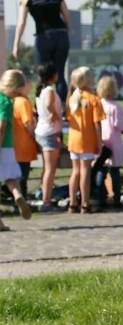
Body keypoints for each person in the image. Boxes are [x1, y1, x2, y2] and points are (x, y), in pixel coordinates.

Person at [12, 0, 71, 102]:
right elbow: (67, 16)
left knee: (43, 75)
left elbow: (21, 23)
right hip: (61, 35)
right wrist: (66, 30)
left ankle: (43, 107)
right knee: (60, 75)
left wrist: (16, 45)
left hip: (44, 37)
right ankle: (61, 108)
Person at [65, 67, 104, 214]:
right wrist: (99, 142)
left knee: (75, 171)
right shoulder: (93, 99)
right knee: (85, 172)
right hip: (87, 140)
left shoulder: (72, 99)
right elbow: (97, 124)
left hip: (73, 139)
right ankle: (85, 203)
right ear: (87, 80)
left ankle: (72, 203)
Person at [0, 69, 33, 224]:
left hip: (3, 146)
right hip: (7, 146)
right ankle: (17, 195)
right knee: (11, 178)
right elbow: (2, 127)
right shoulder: (6, 103)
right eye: (17, 93)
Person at [33, 63, 63, 213]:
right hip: (50, 132)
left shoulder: (40, 90)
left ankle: (44, 195)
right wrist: (59, 118)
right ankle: (46, 201)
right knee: (50, 169)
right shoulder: (50, 90)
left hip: (42, 131)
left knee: (46, 168)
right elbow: (51, 107)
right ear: (53, 75)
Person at [93, 75, 123, 209]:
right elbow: (121, 126)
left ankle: (101, 199)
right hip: (115, 141)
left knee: (101, 170)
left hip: (101, 140)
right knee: (115, 172)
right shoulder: (116, 107)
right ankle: (117, 199)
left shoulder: (97, 104)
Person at [12, 74, 38, 203]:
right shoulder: (23, 102)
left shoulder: (13, 100)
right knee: (22, 176)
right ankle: (22, 201)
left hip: (14, 145)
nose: (31, 85)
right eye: (28, 82)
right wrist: (35, 137)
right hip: (23, 146)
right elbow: (28, 123)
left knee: (14, 176)